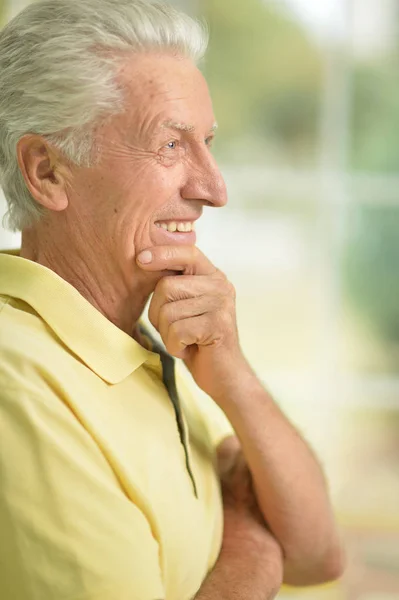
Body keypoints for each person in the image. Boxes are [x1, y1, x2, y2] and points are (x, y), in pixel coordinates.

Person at [0, 1, 345, 598]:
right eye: (171, 146)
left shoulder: (145, 337)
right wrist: (253, 543)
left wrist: (230, 372)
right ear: (47, 171)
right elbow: (286, 551)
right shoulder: (17, 385)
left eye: (207, 142)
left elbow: (318, 555)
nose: (213, 188)